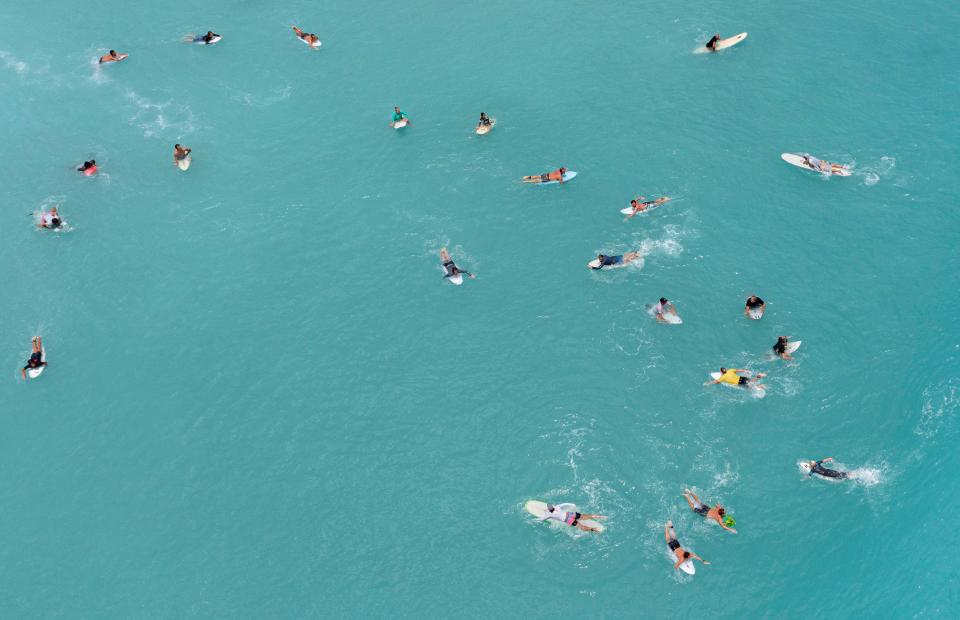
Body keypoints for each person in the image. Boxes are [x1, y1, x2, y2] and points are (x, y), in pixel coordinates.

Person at [538, 503, 606, 533]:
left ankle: (595, 530)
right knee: (586, 516)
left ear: (549, 509)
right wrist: (573, 505)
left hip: (568, 519)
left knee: (581, 527)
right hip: (570, 514)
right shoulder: (557, 507)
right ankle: (602, 517)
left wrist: (538, 518)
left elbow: (541, 519)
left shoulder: (549, 514)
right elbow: (565, 504)